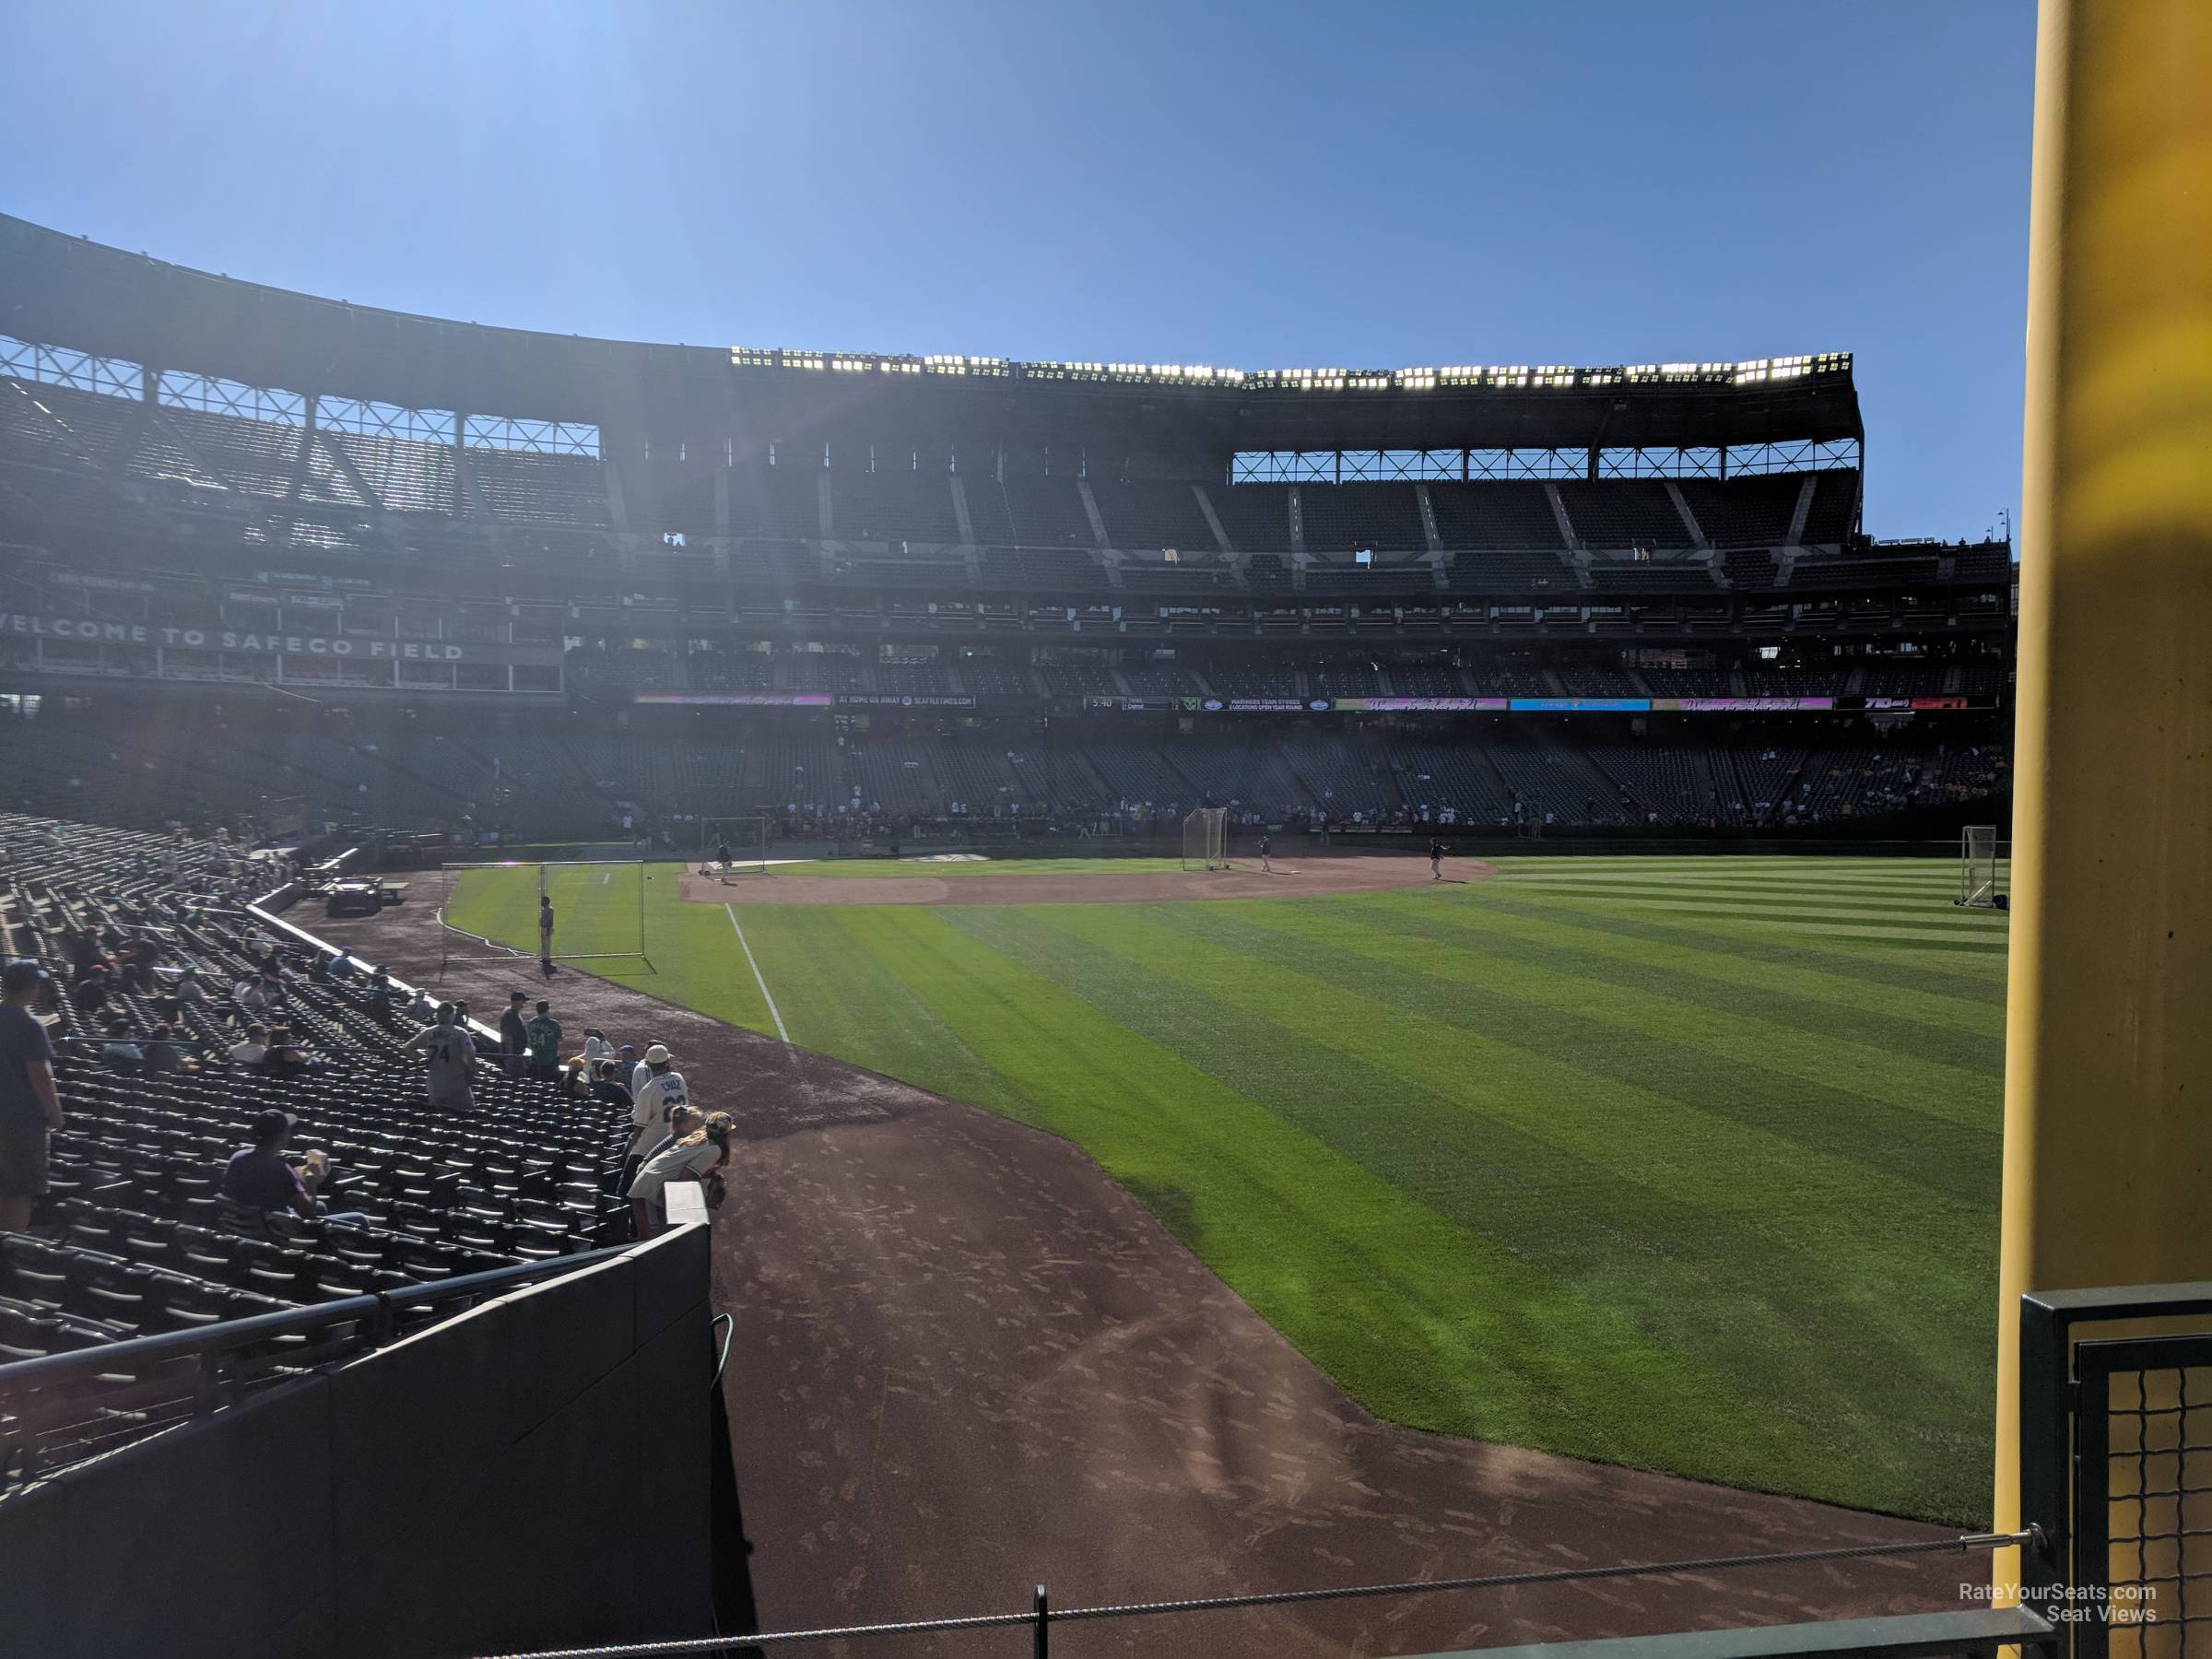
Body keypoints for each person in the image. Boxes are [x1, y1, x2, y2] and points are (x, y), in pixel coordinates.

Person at [0, 959, 63, 1233]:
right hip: (21, 1119)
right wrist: (55, 1111)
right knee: (19, 1189)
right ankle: (11, 1250)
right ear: (32, 987)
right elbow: (40, 1073)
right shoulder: (29, 1026)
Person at [627, 1112, 733, 1241]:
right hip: (650, 1189)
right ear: (725, 1134)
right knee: (650, 1242)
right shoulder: (714, 1149)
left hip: (649, 1181)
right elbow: (687, 1176)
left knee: (655, 1241)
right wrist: (699, 1204)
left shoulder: (696, 1137)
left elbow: (683, 1167)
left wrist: (712, 1174)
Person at [408, 1004, 478, 1109]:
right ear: (451, 1015)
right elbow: (470, 1057)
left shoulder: (428, 1032)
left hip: (435, 1087)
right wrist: (472, 1074)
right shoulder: (460, 1033)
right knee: (467, 1115)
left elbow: (408, 1048)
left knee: (438, 1119)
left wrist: (426, 1059)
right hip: (457, 1086)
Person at [628, 1045, 688, 1161]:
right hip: (676, 1140)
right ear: (667, 1062)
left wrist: (631, 1148)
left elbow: (640, 1126)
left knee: (628, 1176)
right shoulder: (679, 1078)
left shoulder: (648, 1089)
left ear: (648, 1065)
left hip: (652, 1146)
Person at [524, 999, 562, 1082]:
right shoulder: (553, 1024)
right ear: (548, 1009)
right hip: (550, 1058)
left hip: (535, 1057)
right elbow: (559, 1040)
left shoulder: (531, 1022)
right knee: (550, 1081)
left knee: (536, 1081)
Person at [499, 991, 531, 1081]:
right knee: (519, 1079)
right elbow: (507, 1036)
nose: (524, 1004)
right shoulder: (510, 1015)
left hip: (515, 1053)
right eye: (522, 1001)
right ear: (516, 1001)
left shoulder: (510, 1012)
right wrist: (510, 1055)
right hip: (514, 1054)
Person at [538, 894, 556, 971]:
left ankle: (547, 958)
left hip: (547, 928)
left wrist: (548, 929)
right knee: (543, 942)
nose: (541, 902)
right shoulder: (544, 909)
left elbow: (550, 920)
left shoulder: (549, 909)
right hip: (543, 927)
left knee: (547, 943)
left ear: (546, 902)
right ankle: (544, 957)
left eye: (543, 901)